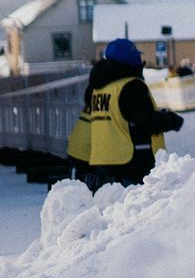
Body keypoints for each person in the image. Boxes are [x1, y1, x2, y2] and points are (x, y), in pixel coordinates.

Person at [67, 37, 184, 189]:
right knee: (136, 202)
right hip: (131, 161)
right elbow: (147, 120)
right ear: (131, 59)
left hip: (103, 159)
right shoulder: (131, 86)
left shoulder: (99, 88)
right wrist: (171, 120)